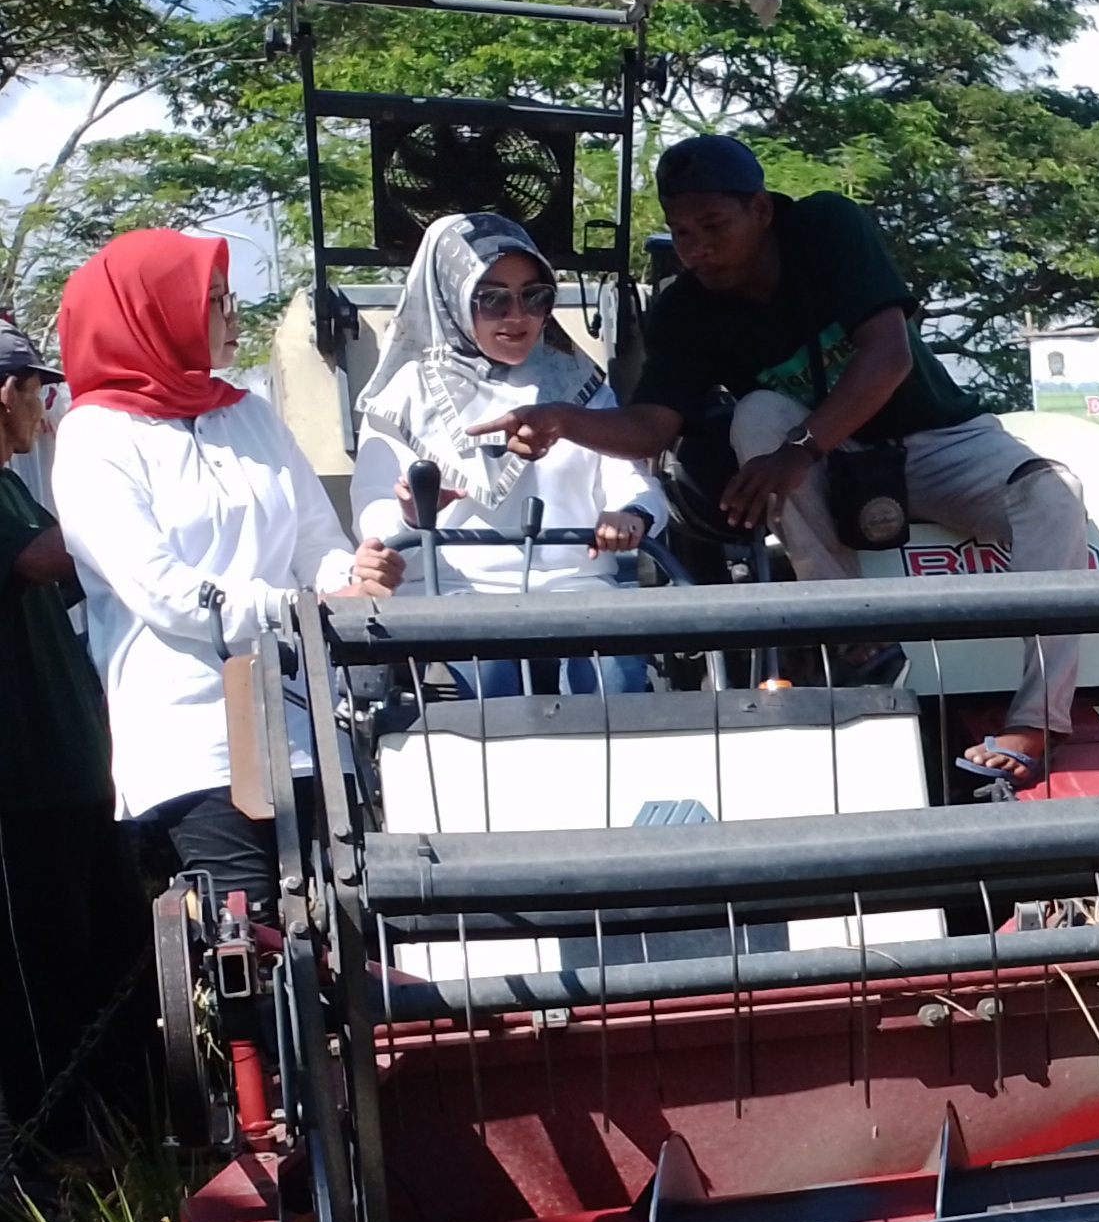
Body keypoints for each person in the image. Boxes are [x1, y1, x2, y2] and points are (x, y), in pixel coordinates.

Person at [477, 135, 1086, 794]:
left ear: (762, 210)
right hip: (825, 459)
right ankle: (856, 630)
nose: (697, 248)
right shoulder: (684, 307)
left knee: (1054, 490)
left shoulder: (826, 225)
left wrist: (799, 452)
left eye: (714, 226)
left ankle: (1039, 720)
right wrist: (565, 420)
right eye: (682, 232)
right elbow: (654, 424)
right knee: (757, 412)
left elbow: (888, 356)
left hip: (934, 438)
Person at [53, 231, 402, 921]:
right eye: (211, 301)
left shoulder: (250, 414)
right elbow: (163, 590)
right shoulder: (96, 437)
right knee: (252, 930)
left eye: (225, 297)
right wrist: (300, 607)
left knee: (347, 918)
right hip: (194, 738)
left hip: (305, 723)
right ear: (152, 315)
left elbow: (316, 544)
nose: (232, 315)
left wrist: (355, 574)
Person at [351, 211, 663, 697]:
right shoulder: (403, 398)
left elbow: (633, 480)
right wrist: (411, 514)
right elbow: (373, 517)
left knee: (614, 680)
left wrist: (631, 514)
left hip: (578, 591)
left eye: (534, 296)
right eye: (492, 299)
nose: (517, 316)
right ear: (451, 298)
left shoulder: (578, 382)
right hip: (456, 596)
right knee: (488, 682)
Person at [0, 323, 141, 1150]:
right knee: (39, 985)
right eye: (38, 392)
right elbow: (44, 561)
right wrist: (121, 489)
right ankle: (52, 1155)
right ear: (5, 393)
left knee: (110, 966)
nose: (44, 411)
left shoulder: (15, 490)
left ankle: (127, 1137)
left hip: (81, 777)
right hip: (21, 788)